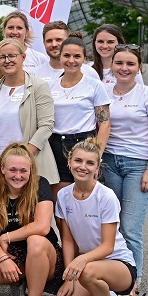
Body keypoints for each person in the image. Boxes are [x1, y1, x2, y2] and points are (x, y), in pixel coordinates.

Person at [101, 44, 148, 296]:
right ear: (112, 66)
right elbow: (101, 126)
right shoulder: (104, 92)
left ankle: (131, 283)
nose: (124, 68)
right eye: (119, 63)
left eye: (130, 64)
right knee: (110, 224)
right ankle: (112, 274)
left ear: (139, 67)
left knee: (130, 227)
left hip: (139, 165)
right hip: (109, 163)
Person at [53, 139, 137, 296]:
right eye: (78, 161)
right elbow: (67, 240)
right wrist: (69, 277)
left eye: (90, 163)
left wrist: (79, 262)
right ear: (69, 162)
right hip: (87, 268)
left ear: (97, 168)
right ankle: (104, 294)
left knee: (88, 270)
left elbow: (108, 246)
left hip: (118, 265)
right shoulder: (63, 196)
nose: (83, 167)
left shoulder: (106, 196)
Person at [0, 143, 63, 296]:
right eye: (12, 170)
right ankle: (18, 284)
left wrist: (6, 237)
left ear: (31, 170)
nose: (18, 176)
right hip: (13, 252)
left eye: (23, 171)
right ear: (1, 168)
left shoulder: (40, 184)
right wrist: (3, 258)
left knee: (35, 240)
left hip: (44, 251)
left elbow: (42, 227)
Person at [0, 38, 56, 190]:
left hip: (29, 162)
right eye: (2, 57)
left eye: (12, 56)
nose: (7, 61)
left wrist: (20, 159)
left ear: (23, 57)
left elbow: (46, 126)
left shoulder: (39, 86)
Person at [47, 33, 111, 198]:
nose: (71, 60)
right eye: (66, 55)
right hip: (55, 144)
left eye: (77, 56)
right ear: (60, 57)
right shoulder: (50, 86)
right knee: (60, 201)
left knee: (86, 198)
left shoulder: (94, 85)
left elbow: (104, 123)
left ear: (84, 59)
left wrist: (96, 156)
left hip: (83, 144)